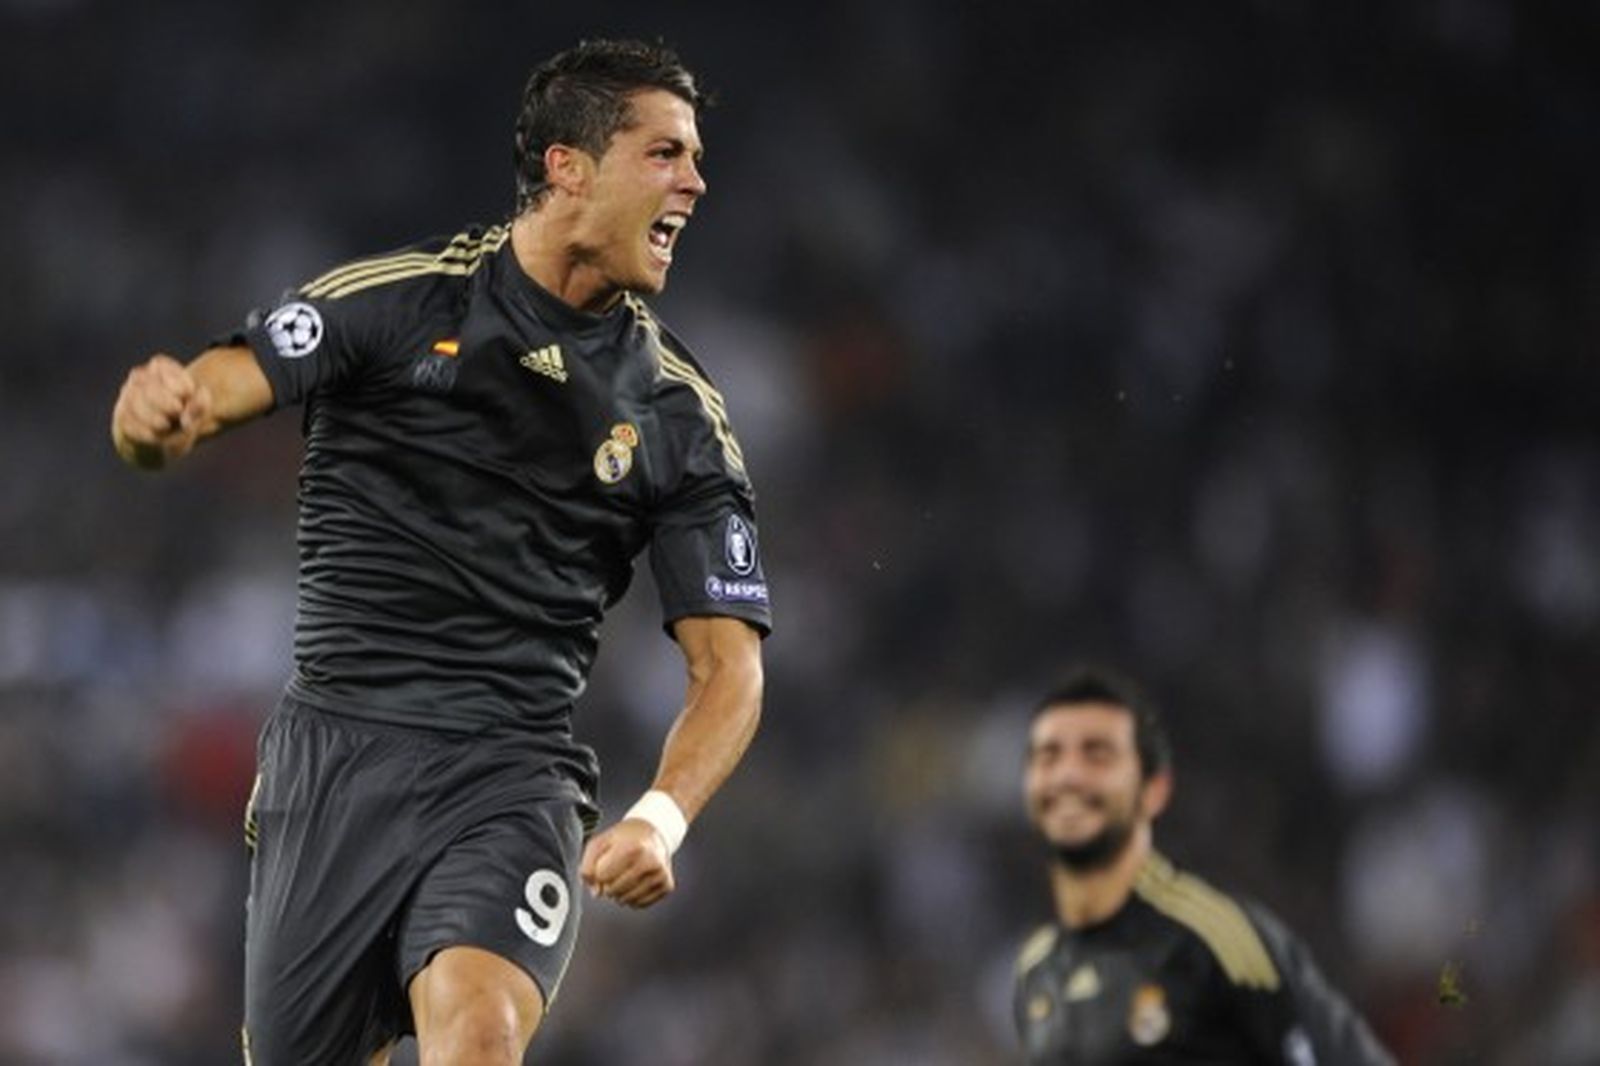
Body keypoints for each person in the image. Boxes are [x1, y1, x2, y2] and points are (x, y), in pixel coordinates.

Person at [109, 39, 770, 1066]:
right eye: (665, 153)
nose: (695, 181)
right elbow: (215, 390)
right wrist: (157, 420)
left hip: (509, 774)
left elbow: (729, 666)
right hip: (333, 764)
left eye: (694, 157)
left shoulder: (675, 413)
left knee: (480, 1031)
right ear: (568, 167)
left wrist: (660, 818)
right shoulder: (400, 301)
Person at [1014, 668, 1393, 1065]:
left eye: (1097, 756)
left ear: (1152, 791)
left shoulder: (1222, 941)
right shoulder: (1038, 971)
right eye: (1050, 757)